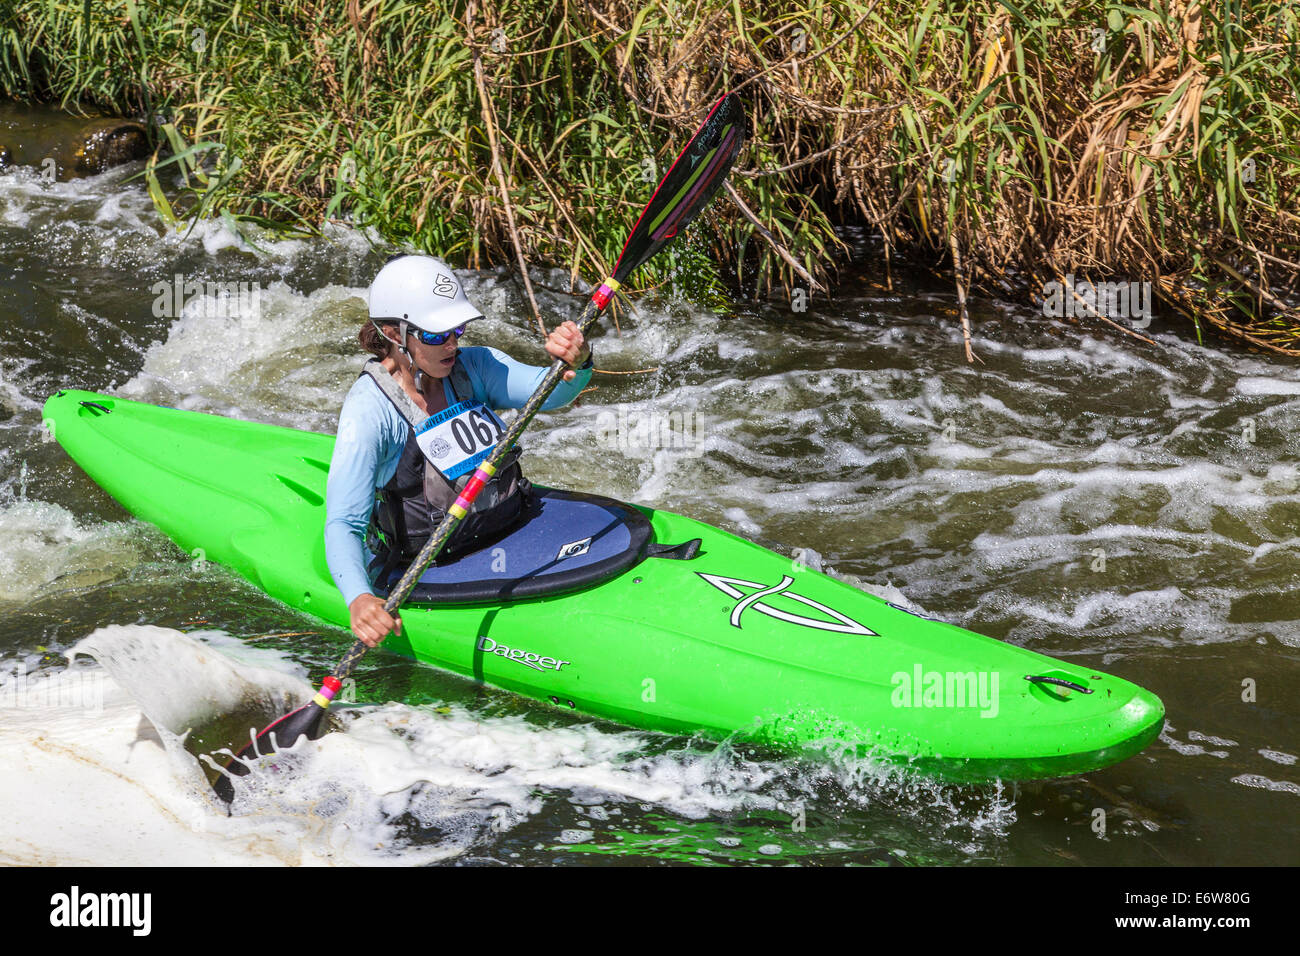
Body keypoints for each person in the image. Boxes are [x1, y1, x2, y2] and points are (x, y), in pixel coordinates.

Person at [325, 254, 593, 649]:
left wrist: (578, 361)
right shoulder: (370, 411)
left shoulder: (476, 366)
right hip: (433, 561)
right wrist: (360, 598)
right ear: (393, 332)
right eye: (435, 335)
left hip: (507, 525)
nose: (452, 344)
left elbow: (553, 393)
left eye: (457, 329)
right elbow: (344, 523)